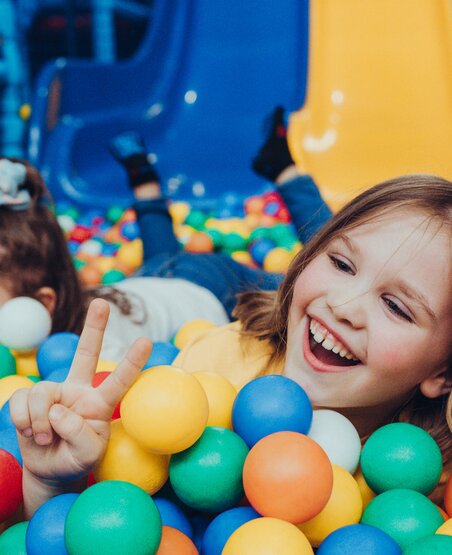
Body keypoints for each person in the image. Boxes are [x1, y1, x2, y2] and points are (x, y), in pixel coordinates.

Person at [10, 173, 452, 516]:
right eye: (340, 262)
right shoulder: (209, 368)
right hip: (208, 282)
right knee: (171, 261)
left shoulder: (419, 478)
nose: (345, 306)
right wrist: (52, 484)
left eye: (396, 307)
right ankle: (147, 187)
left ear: (443, 374)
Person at [0, 108, 332, 362]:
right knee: (161, 258)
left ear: (43, 303)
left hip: (212, 288)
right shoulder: (69, 304)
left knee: (314, 286)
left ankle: (285, 170)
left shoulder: (93, 348)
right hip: (153, 279)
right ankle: (141, 174)